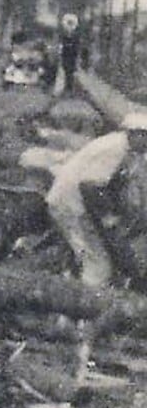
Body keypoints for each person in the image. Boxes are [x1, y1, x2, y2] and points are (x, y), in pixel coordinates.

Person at [44, 111, 147, 288]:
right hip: (71, 206)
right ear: (135, 133)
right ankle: (81, 310)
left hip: (76, 204)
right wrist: (108, 218)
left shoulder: (121, 145)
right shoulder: (115, 149)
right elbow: (90, 186)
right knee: (99, 266)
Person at [55, 13, 84, 96]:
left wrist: (77, 56)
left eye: (71, 24)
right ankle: (67, 89)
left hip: (72, 57)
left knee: (71, 73)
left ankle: (70, 89)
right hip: (65, 57)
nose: (70, 27)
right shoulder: (64, 36)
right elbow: (62, 45)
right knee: (66, 72)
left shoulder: (76, 37)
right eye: (69, 24)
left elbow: (77, 47)